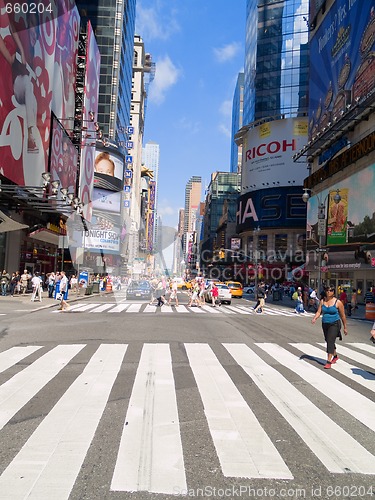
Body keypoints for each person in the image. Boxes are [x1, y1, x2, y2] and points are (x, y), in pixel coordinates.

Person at [312, 286, 348, 369]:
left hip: (335, 323)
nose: (329, 292)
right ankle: (335, 356)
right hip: (325, 323)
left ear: (334, 292)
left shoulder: (338, 302)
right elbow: (319, 312)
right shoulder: (322, 301)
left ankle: (328, 361)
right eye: (327, 290)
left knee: (330, 341)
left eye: (331, 290)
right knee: (328, 340)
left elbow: (343, 316)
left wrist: (345, 327)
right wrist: (315, 318)